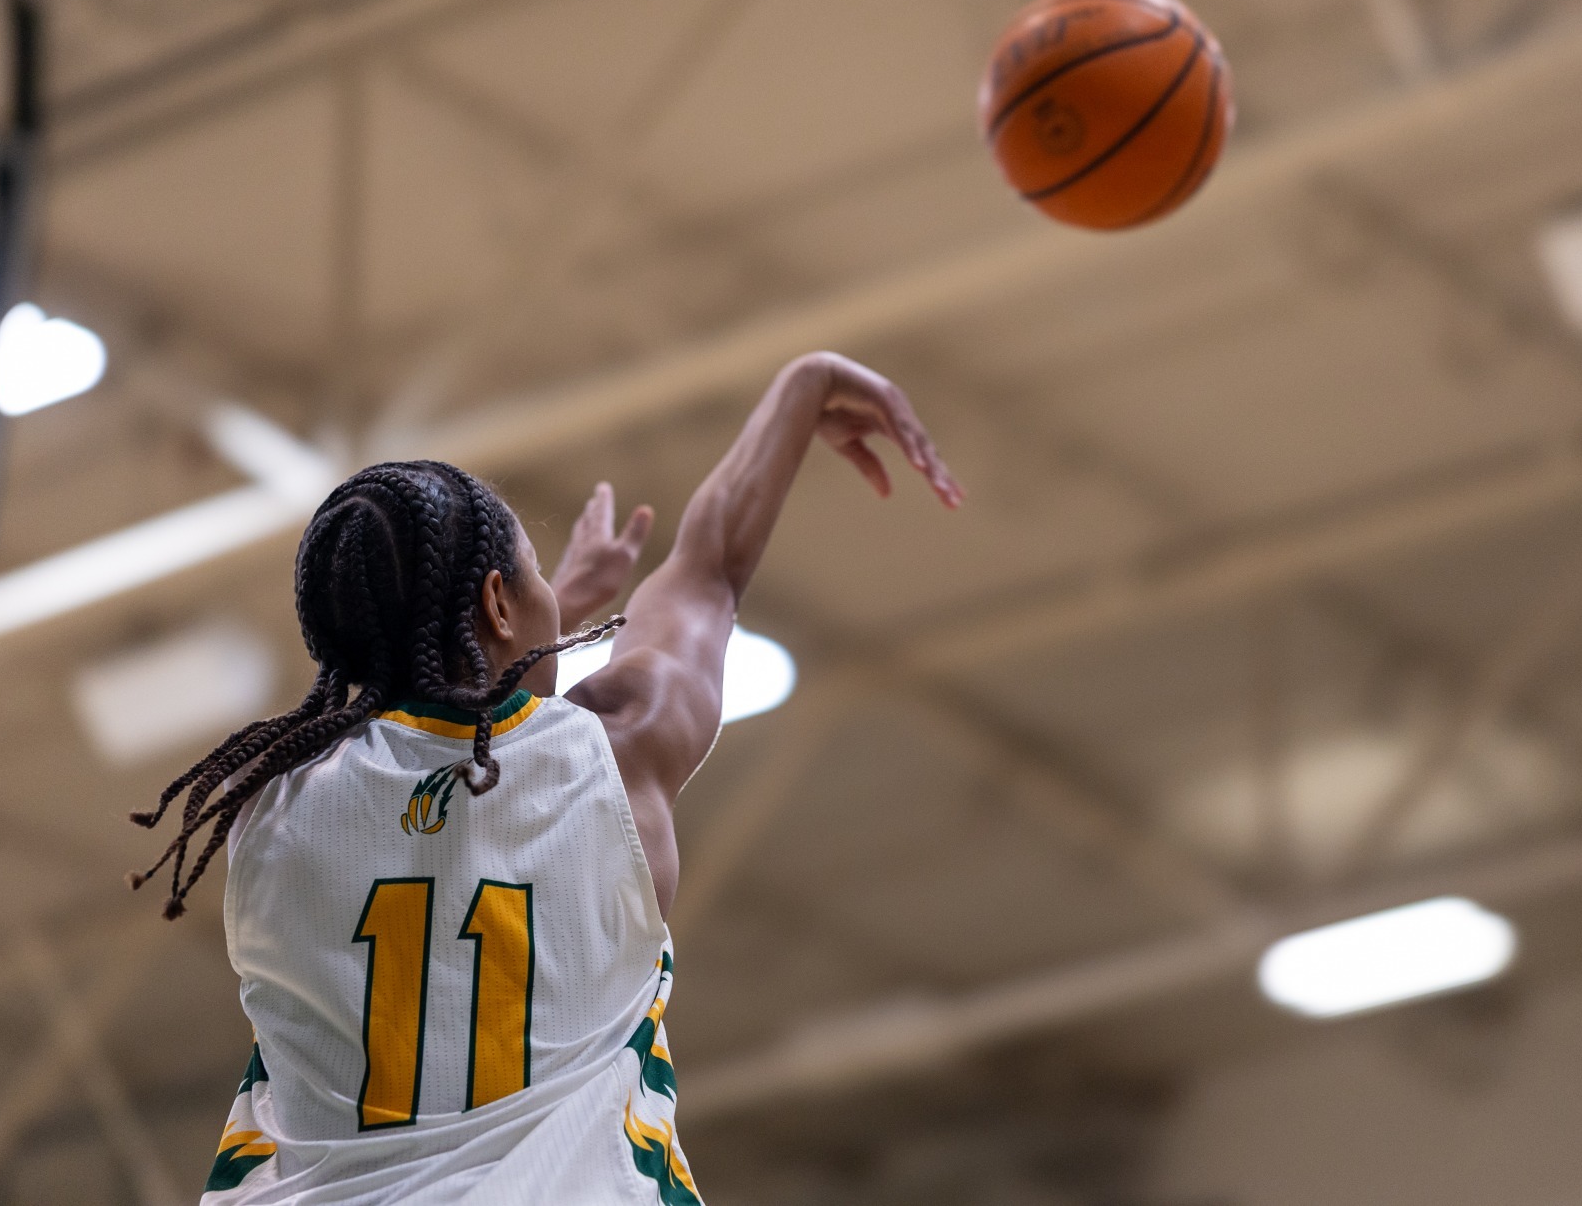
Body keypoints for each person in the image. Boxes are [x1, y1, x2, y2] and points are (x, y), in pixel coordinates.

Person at [128, 352, 962, 1204]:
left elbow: (426, 778)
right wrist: (805, 388)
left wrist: (532, 620)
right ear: (495, 604)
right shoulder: (613, 749)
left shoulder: (264, 812)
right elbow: (709, 574)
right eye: (531, 575)